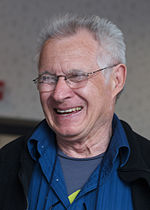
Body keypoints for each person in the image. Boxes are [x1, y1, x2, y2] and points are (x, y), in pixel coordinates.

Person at [0, 14, 150, 210]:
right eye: (48, 78)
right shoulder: (6, 163)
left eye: (77, 76)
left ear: (116, 79)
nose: (59, 94)